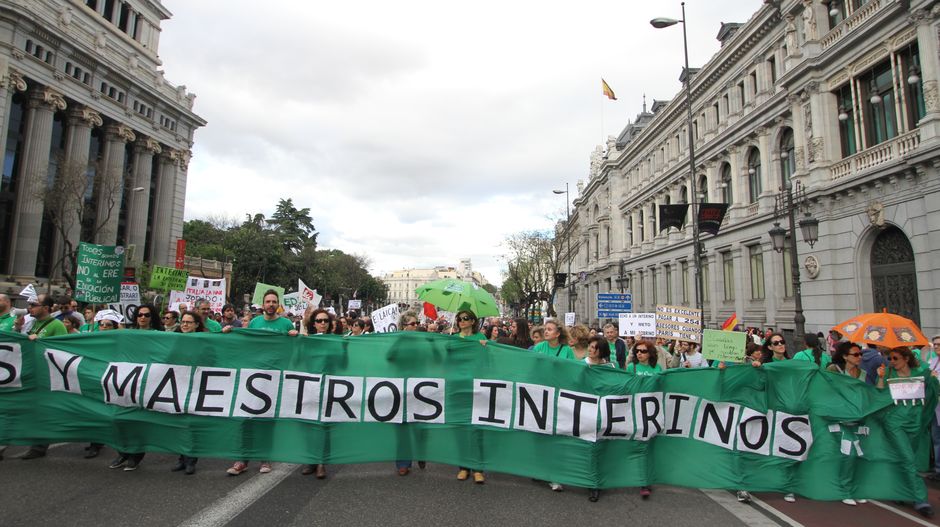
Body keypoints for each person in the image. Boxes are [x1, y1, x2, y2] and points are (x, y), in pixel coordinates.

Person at [876, 347, 935, 517]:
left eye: (895, 358)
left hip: (915, 422)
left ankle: (900, 491)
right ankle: (920, 499)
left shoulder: (920, 372)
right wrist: (880, 378)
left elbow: (932, 391)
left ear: (907, 358)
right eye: (890, 358)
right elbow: (879, 394)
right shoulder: (887, 373)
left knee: (907, 458)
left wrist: (933, 379)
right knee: (908, 458)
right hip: (894, 423)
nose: (892, 361)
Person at [452, 309, 487, 484]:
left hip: (476, 387)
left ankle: (478, 468)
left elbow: (487, 361)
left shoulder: (480, 338)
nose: (462, 321)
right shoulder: (453, 338)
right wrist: (448, 346)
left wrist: (484, 348)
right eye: (459, 319)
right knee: (461, 428)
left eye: (466, 318)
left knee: (476, 429)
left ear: (473, 321)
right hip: (458, 387)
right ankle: (463, 467)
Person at [170, 311, 205, 474]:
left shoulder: (204, 342)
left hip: (197, 386)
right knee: (180, 423)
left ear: (196, 325)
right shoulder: (174, 340)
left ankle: (191, 459)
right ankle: (181, 458)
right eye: (183, 321)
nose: (184, 324)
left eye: (189, 322)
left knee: (191, 424)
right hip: (178, 385)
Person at [300, 308, 333, 479]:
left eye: (325, 321)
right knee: (309, 423)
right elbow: (299, 360)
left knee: (324, 425)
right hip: (309, 386)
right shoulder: (307, 341)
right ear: (314, 324)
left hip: (329, 387)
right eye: (319, 321)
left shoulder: (336, 341)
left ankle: (321, 462)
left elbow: (343, 363)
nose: (322, 323)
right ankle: (310, 460)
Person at [394, 311, 425, 476]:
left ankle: (421, 451)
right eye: (413, 324)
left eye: (417, 323)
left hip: (420, 388)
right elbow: (389, 357)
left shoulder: (422, 341)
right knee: (402, 425)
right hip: (401, 387)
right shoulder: (397, 340)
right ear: (404, 326)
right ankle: (403, 463)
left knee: (419, 426)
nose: (416, 326)